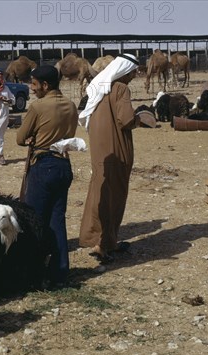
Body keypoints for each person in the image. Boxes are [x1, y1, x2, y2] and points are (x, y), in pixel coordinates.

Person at [16, 66, 78, 287]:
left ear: (45, 85)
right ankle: (59, 273)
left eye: (34, 84)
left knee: (35, 221)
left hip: (43, 166)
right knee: (57, 220)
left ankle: (32, 275)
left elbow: (20, 138)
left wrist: (34, 137)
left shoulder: (38, 107)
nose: (31, 89)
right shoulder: (71, 106)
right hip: (63, 164)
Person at [78, 54, 141, 262]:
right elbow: (127, 119)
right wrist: (142, 118)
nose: (134, 76)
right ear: (125, 70)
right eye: (133, 71)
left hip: (100, 152)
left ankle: (98, 240)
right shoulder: (121, 89)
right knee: (114, 195)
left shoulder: (99, 88)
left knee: (99, 191)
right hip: (117, 151)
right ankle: (104, 244)